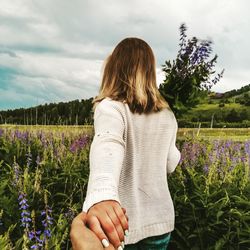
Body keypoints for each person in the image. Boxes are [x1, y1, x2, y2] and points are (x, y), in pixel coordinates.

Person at [70, 37, 181, 250]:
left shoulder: (111, 107)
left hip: (120, 224)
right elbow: (170, 164)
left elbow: (108, 144)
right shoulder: (167, 116)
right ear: (149, 72)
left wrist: (102, 195)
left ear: (115, 67)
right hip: (160, 220)